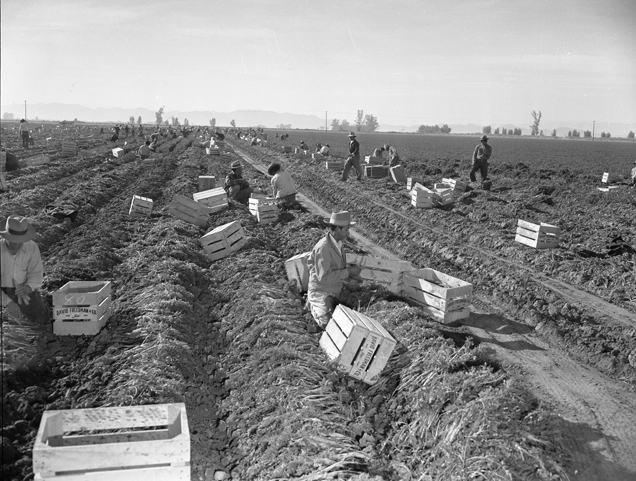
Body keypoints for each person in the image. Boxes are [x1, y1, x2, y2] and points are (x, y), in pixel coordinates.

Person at [306, 211, 361, 328]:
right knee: (328, 325)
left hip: (335, 289)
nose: (348, 232)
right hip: (321, 292)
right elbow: (325, 278)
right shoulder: (324, 248)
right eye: (346, 229)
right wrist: (349, 272)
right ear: (337, 229)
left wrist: (352, 274)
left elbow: (336, 269)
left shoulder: (338, 244)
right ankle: (311, 304)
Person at [1, 216, 49, 325]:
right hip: (2, 290)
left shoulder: (31, 247)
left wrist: (28, 288)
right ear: (5, 236)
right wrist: (7, 302)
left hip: (23, 288)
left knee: (41, 318)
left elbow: (36, 272)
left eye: (20, 241)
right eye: (12, 240)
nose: (16, 244)